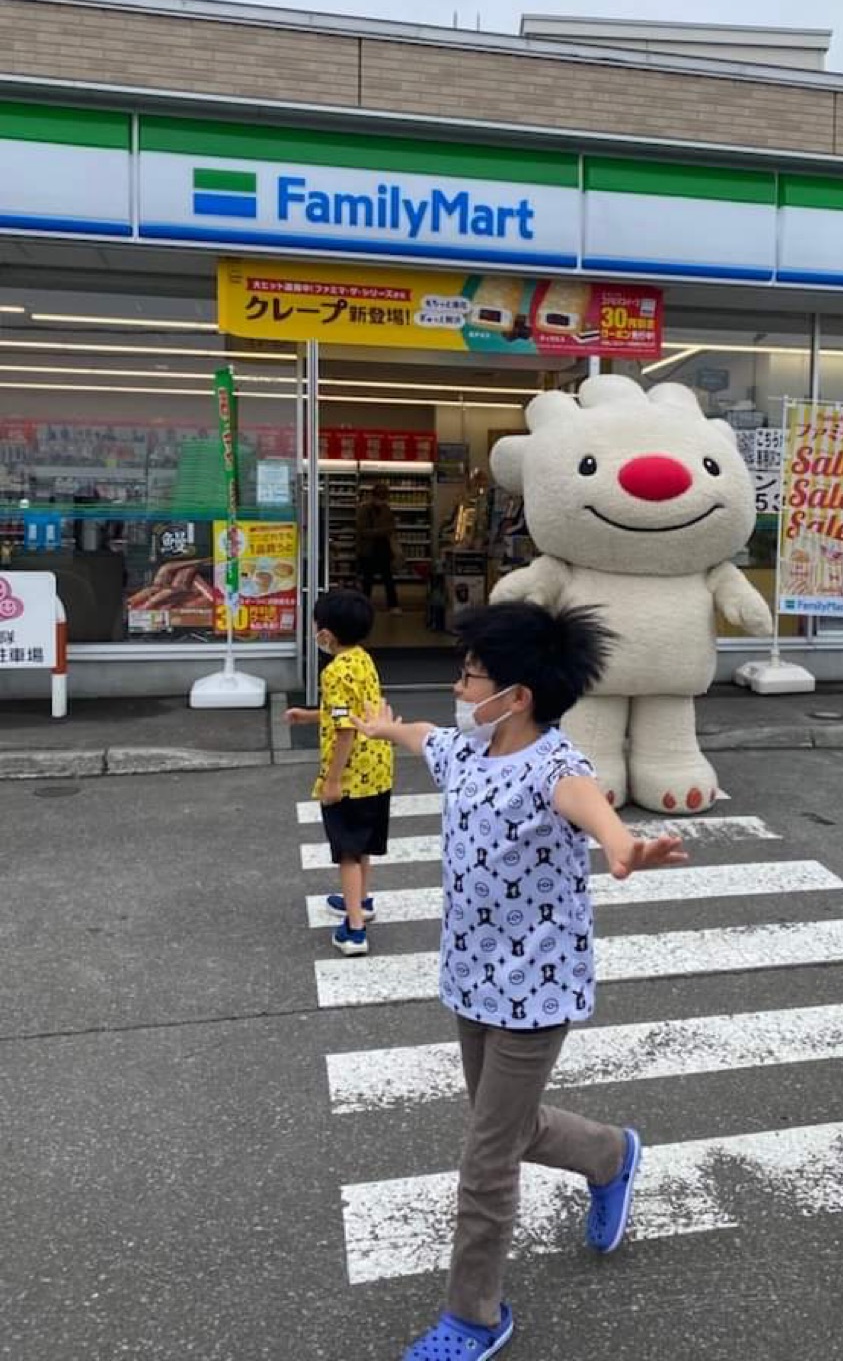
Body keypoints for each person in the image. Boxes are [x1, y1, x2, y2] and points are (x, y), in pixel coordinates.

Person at [351, 601, 687, 1360]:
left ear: (519, 695)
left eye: (471, 675)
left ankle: (475, 1315)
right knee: (506, 1123)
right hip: (470, 975)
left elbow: (595, 814)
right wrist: (382, 728)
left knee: (487, 1155)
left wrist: (625, 848)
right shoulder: (468, 754)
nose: (460, 688)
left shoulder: (556, 769)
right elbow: (424, 737)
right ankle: (611, 1155)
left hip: (534, 991)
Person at [285, 589, 394, 956]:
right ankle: (361, 901)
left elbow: (344, 729)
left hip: (350, 776)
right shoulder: (364, 660)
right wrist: (309, 715)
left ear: (326, 635)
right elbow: (349, 712)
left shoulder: (333, 671)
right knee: (363, 846)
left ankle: (355, 930)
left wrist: (331, 780)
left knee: (347, 852)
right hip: (377, 769)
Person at [355, 481, 401, 612]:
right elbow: (362, 531)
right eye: (382, 496)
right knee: (367, 581)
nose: (383, 500)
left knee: (388, 579)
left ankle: (393, 605)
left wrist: (386, 531)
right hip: (368, 549)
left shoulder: (386, 509)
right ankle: (364, 606)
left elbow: (391, 527)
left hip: (383, 549)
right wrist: (382, 531)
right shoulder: (364, 509)